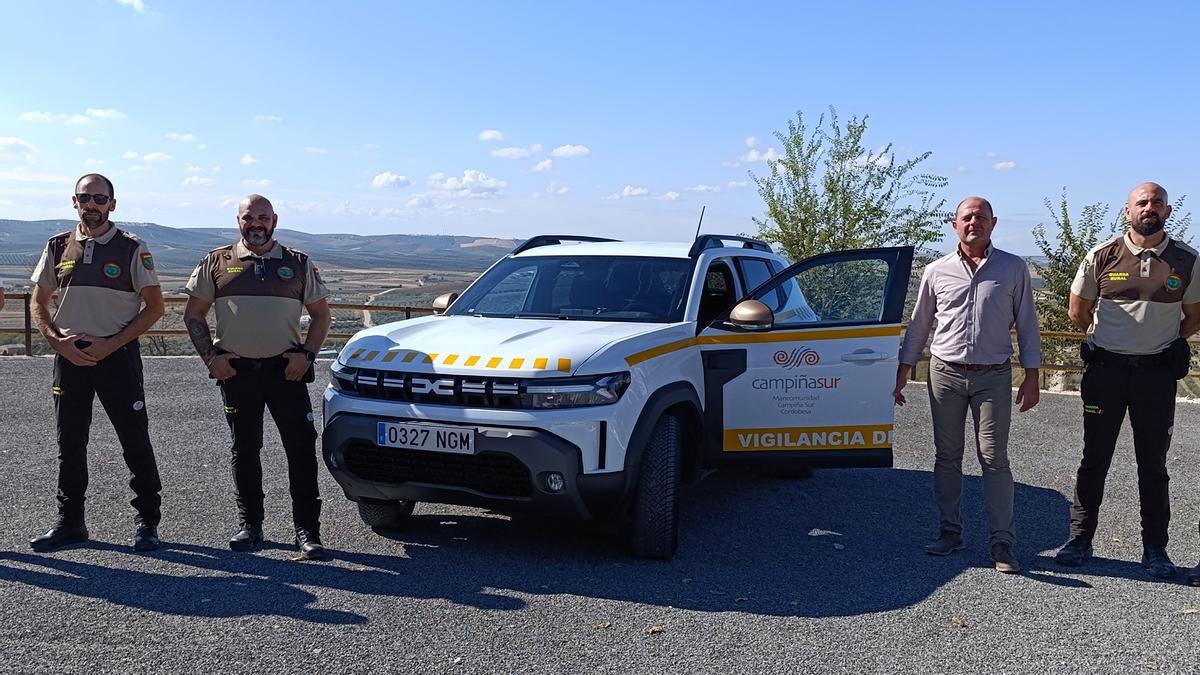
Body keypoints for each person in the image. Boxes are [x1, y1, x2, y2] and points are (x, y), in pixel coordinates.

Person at [1055, 182, 1200, 580]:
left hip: (1155, 375)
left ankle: (1156, 550)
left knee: (1153, 464)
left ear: (1167, 211)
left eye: (1157, 202)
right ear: (1128, 211)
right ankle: (1080, 540)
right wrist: (1108, 340)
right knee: (1094, 458)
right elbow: (1078, 310)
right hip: (1107, 373)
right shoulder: (1103, 255)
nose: (1149, 208)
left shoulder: (1187, 259)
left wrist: (1164, 341)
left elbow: (1194, 315)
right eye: (1142, 202)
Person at [895, 196, 1041, 574]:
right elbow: (919, 325)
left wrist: (1032, 376)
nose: (973, 222)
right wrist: (903, 371)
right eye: (967, 217)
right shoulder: (936, 271)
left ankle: (1002, 542)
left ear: (993, 223)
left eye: (981, 216)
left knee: (993, 458)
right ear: (954, 224)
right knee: (947, 456)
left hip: (993, 375)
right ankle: (950, 532)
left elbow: (1027, 324)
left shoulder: (1013, 268)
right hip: (945, 373)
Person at [183, 194, 332, 560]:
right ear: (238, 221)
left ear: (275, 220)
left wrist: (307, 355)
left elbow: (321, 316)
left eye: (263, 217)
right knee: (245, 450)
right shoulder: (217, 261)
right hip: (237, 373)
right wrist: (210, 360)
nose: (256, 223)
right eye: (249, 217)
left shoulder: (298, 263)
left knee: (300, 451)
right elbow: (193, 315)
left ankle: (307, 532)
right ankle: (251, 525)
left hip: (287, 372)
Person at [28, 173, 165, 552]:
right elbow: (38, 303)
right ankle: (70, 524)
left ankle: (147, 523)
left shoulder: (132, 248)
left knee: (134, 440)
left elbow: (155, 308)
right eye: (84, 198)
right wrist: (58, 343)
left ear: (112, 204)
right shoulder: (57, 246)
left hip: (116, 357)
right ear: (74, 202)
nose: (92, 205)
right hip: (70, 357)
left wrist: (111, 345)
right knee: (69, 443)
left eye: (99, 199)